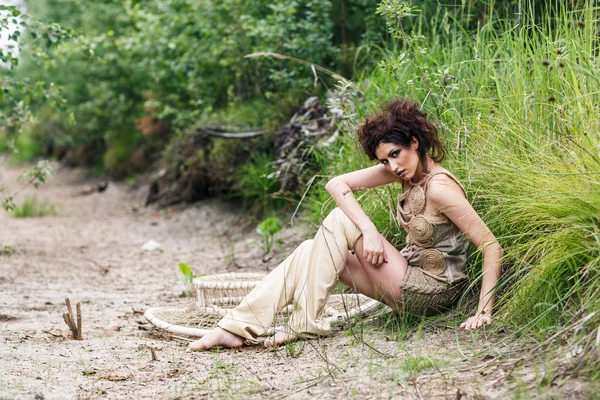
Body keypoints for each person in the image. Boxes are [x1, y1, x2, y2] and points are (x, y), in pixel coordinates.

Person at [187, 99, 503, 352]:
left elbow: (491, 246)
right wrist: (368, 231)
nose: (392, 166)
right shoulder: (402, 171)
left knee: (340, 220)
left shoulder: (439, 188)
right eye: (384, 161)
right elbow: (337, 184)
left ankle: (306, 322)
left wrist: (484, 311)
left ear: (415, 142)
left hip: (433, 291)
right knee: (311, 249)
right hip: (406, 277)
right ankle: (234, 327)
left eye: (396, 154)